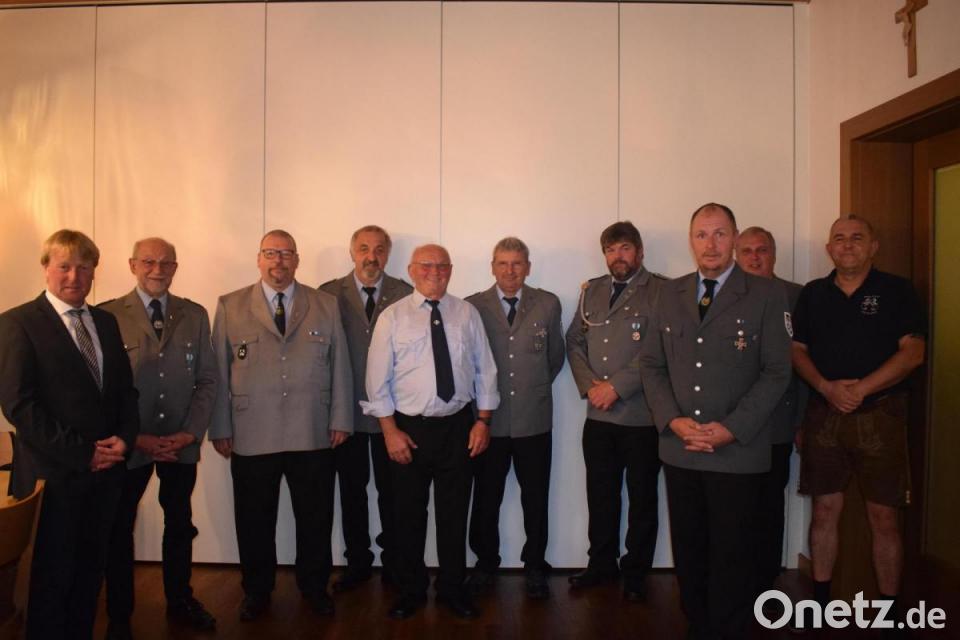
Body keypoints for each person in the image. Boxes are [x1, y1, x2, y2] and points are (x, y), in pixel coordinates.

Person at [640, 203, 791, 639]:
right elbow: (651, 365)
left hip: (737, 451)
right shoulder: (669, 294)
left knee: (734, 552)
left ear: (735, 239)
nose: (711, 244)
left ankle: (728, 629)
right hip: (681, 447)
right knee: (689, 549)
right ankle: (698, 624)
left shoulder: (765, 294)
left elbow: (777, 371)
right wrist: (672, 420)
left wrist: (732, 428)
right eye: (702, 235)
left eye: (720, 234)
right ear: (691, 241)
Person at [0, 229, 139, 639]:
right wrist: (83, 453)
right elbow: (19, 405)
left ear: (94, 271)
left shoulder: (106, 322)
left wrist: (125, 439)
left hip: (105, 477)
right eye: (64, 266)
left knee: (88, 578)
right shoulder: (18, 323)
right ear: (46, 268)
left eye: (84, 267)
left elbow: (125, 393)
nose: (74, 276)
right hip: (53, 479)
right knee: (49, 584)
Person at [209, 230, 353, 620]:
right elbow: (218, 372)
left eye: (287, 253)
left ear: (297, 260)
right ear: (259, 259)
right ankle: (256, 591)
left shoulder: (325, 304)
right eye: (271, 253)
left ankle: (314, 587)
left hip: (313, 430)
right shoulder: (230, 305)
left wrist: (341, 418)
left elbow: (341, 364)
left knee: (315, 519)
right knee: (254, 520)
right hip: (252, 433)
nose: (279, 261)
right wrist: (220, 426)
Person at [792, 214, 924, 628]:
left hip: (881, 415)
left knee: (883, 517)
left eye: (856, 238)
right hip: (824, 414)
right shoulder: (813, 294)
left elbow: (913, 353)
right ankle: (819, 608)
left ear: (873, 247)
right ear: (829, 248)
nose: (847, 245)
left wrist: (860, 389)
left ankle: (889, 616)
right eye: (839, 238)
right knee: (824, 512)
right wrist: (826, 387)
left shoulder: (898, 291)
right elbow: (797, 350)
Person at [362, 244, 498, 620]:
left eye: (441, 266)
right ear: (411, 270)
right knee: (407, 515)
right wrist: (389, 431)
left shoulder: (466, 313)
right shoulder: (392, 317)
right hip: (409, 428)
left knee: (454, 514)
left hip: (458, 427)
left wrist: (483, 421)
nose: (434, 272)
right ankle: (411, 590)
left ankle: (453, 590)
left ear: (450, 270)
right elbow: (376, 380)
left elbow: (485, 369)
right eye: (426, 265)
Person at [100, 237, 218, 639]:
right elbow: (104, 390)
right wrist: (136, 438)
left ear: (175, 268)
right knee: (120, 527)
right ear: (132, 264)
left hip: (180, 443)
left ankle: (180, 599)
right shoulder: (107, 316)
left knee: (180, 523)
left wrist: (190, 433)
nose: (157, 270)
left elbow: (207, 380)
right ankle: (119, 614)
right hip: (130, 445)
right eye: (148, 262)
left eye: (166, 263)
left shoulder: (194, 314)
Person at [564, 221, 664, 600]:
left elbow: (659, 349)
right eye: (610, 250)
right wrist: (591, 386)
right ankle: (601, 564)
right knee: (601, 495)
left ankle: (636, 571)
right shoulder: (591, 291)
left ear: (639, 251)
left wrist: (616, 387)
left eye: (625, 248)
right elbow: (574, 341)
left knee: (642, 500)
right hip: (599, 417)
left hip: (642, 416)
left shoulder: (662, 291)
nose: (617, 256)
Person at [464, 237, 564, 600]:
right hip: (487, 422)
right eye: (503, 263)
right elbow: (468, 363)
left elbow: (555, 358)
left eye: (517, 263)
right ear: (492, 267)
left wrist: (529, 388)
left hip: (533, 420)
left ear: (528, 267)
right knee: (485, 498)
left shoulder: (548, 303)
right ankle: (485, 563)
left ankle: (535, 564)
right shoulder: (472, 306)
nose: (510, 271)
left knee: (535, 498)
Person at [319, 225, 412, 590]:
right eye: (363, 249)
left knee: (394, 493)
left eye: (379, 249)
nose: (371, 257)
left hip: (393, 415)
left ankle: (394, 562)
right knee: (351, 492)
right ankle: (357, 562)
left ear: (387, 254)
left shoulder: (405, 293)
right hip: (347, 415)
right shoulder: (327, 294)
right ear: (351, 252)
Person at [734, 226, 808, 598]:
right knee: (734, 508)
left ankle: (765, 584)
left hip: (777, 421)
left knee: (768, 507)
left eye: (761, 250)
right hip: (731, 423)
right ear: (736, 256)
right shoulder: (725, 296)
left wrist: (802, 421)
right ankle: (734, 581)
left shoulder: (796, 296)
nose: (754, 257)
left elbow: (806, 363)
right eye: (746, 251)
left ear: (774, 254)